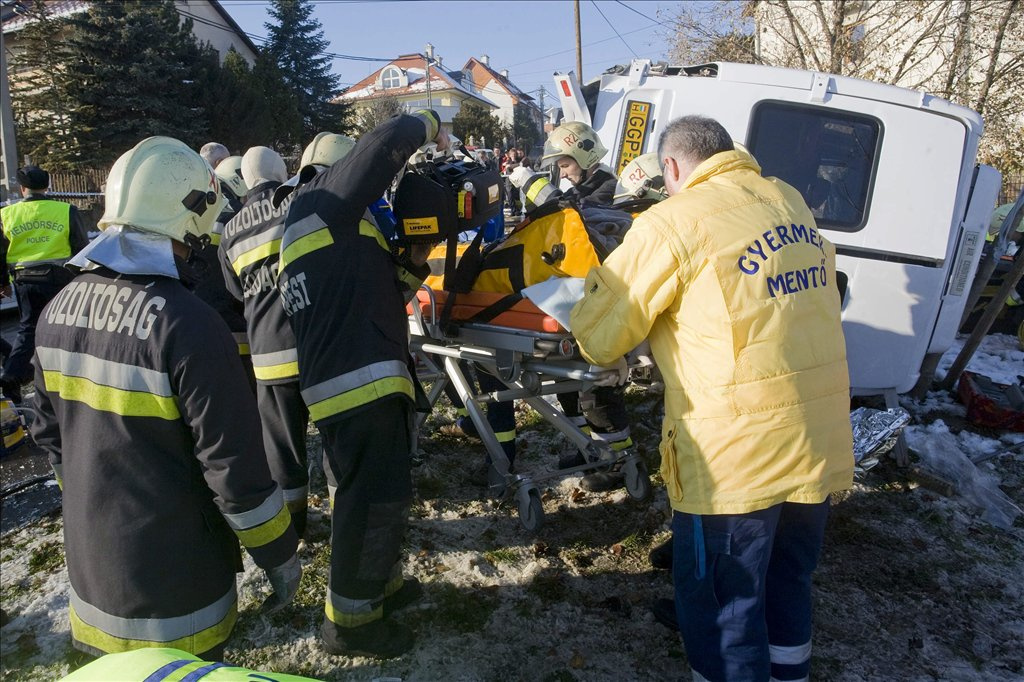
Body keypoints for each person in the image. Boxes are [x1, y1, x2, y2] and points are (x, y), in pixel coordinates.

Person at [569, 116, 854, 682]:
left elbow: (601, 339)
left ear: (670, 168)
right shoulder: (786, 200)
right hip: (817, 439)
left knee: (725, 603)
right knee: (786, 581)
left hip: (736, 458)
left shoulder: (672, 221)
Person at [30, 137, 300, 660]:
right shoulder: (190, 325)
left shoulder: (56, 309)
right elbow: (234, 468)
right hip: (181, 593)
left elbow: (50, 437)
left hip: (93, 577)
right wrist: (279, 554)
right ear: (189, 213)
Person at [274, 112, 447, 658]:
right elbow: (383, 143)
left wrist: (417, 260)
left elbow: (378, 296)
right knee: (367, 504)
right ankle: (351, 626)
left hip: (357, 382)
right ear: (334, 169)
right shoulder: (325, 200)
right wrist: (428, 123)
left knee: (381, 497)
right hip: (360, 384)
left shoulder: (326, 230)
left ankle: (381, 588)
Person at [219, 144, 335, 540]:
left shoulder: (230, 231)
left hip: (268, 356)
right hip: (317, 346)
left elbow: (236, 292)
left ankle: (294, 527)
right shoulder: (298, 204)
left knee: (283, 453)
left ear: (244, 181)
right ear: (281, 170)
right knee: (337, 438)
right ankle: (346, 518)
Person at [0, 165, 90, 403]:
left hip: (24, 281)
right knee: (66, 328)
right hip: (60, 280)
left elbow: (0, 252)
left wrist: (2, 283)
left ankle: (12, 376)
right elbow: (81, 247)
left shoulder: (7, 215)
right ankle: (69, 381)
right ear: (47, 186)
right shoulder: (65, 210)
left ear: (22, 189)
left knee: (28, 329)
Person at [541, 121, 618, 206]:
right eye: (560, 168)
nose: (562, 175)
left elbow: (579, 210)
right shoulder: (579, 189)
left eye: (565, 166)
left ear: (584, 158)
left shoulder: (610, 188)